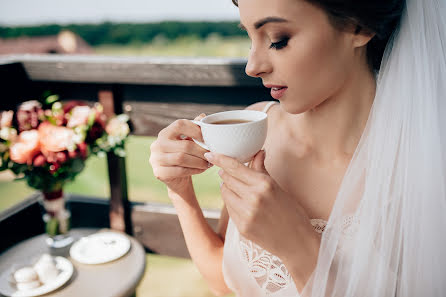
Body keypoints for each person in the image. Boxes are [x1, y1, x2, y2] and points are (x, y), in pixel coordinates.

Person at [149, 0, 446, 296]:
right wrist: (179, 189)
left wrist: (298, 247)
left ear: (359, 27)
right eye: (249, 37)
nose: (253, 66)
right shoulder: (258, 128)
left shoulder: (423, 167)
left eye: (278, 40)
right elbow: (226, 282)